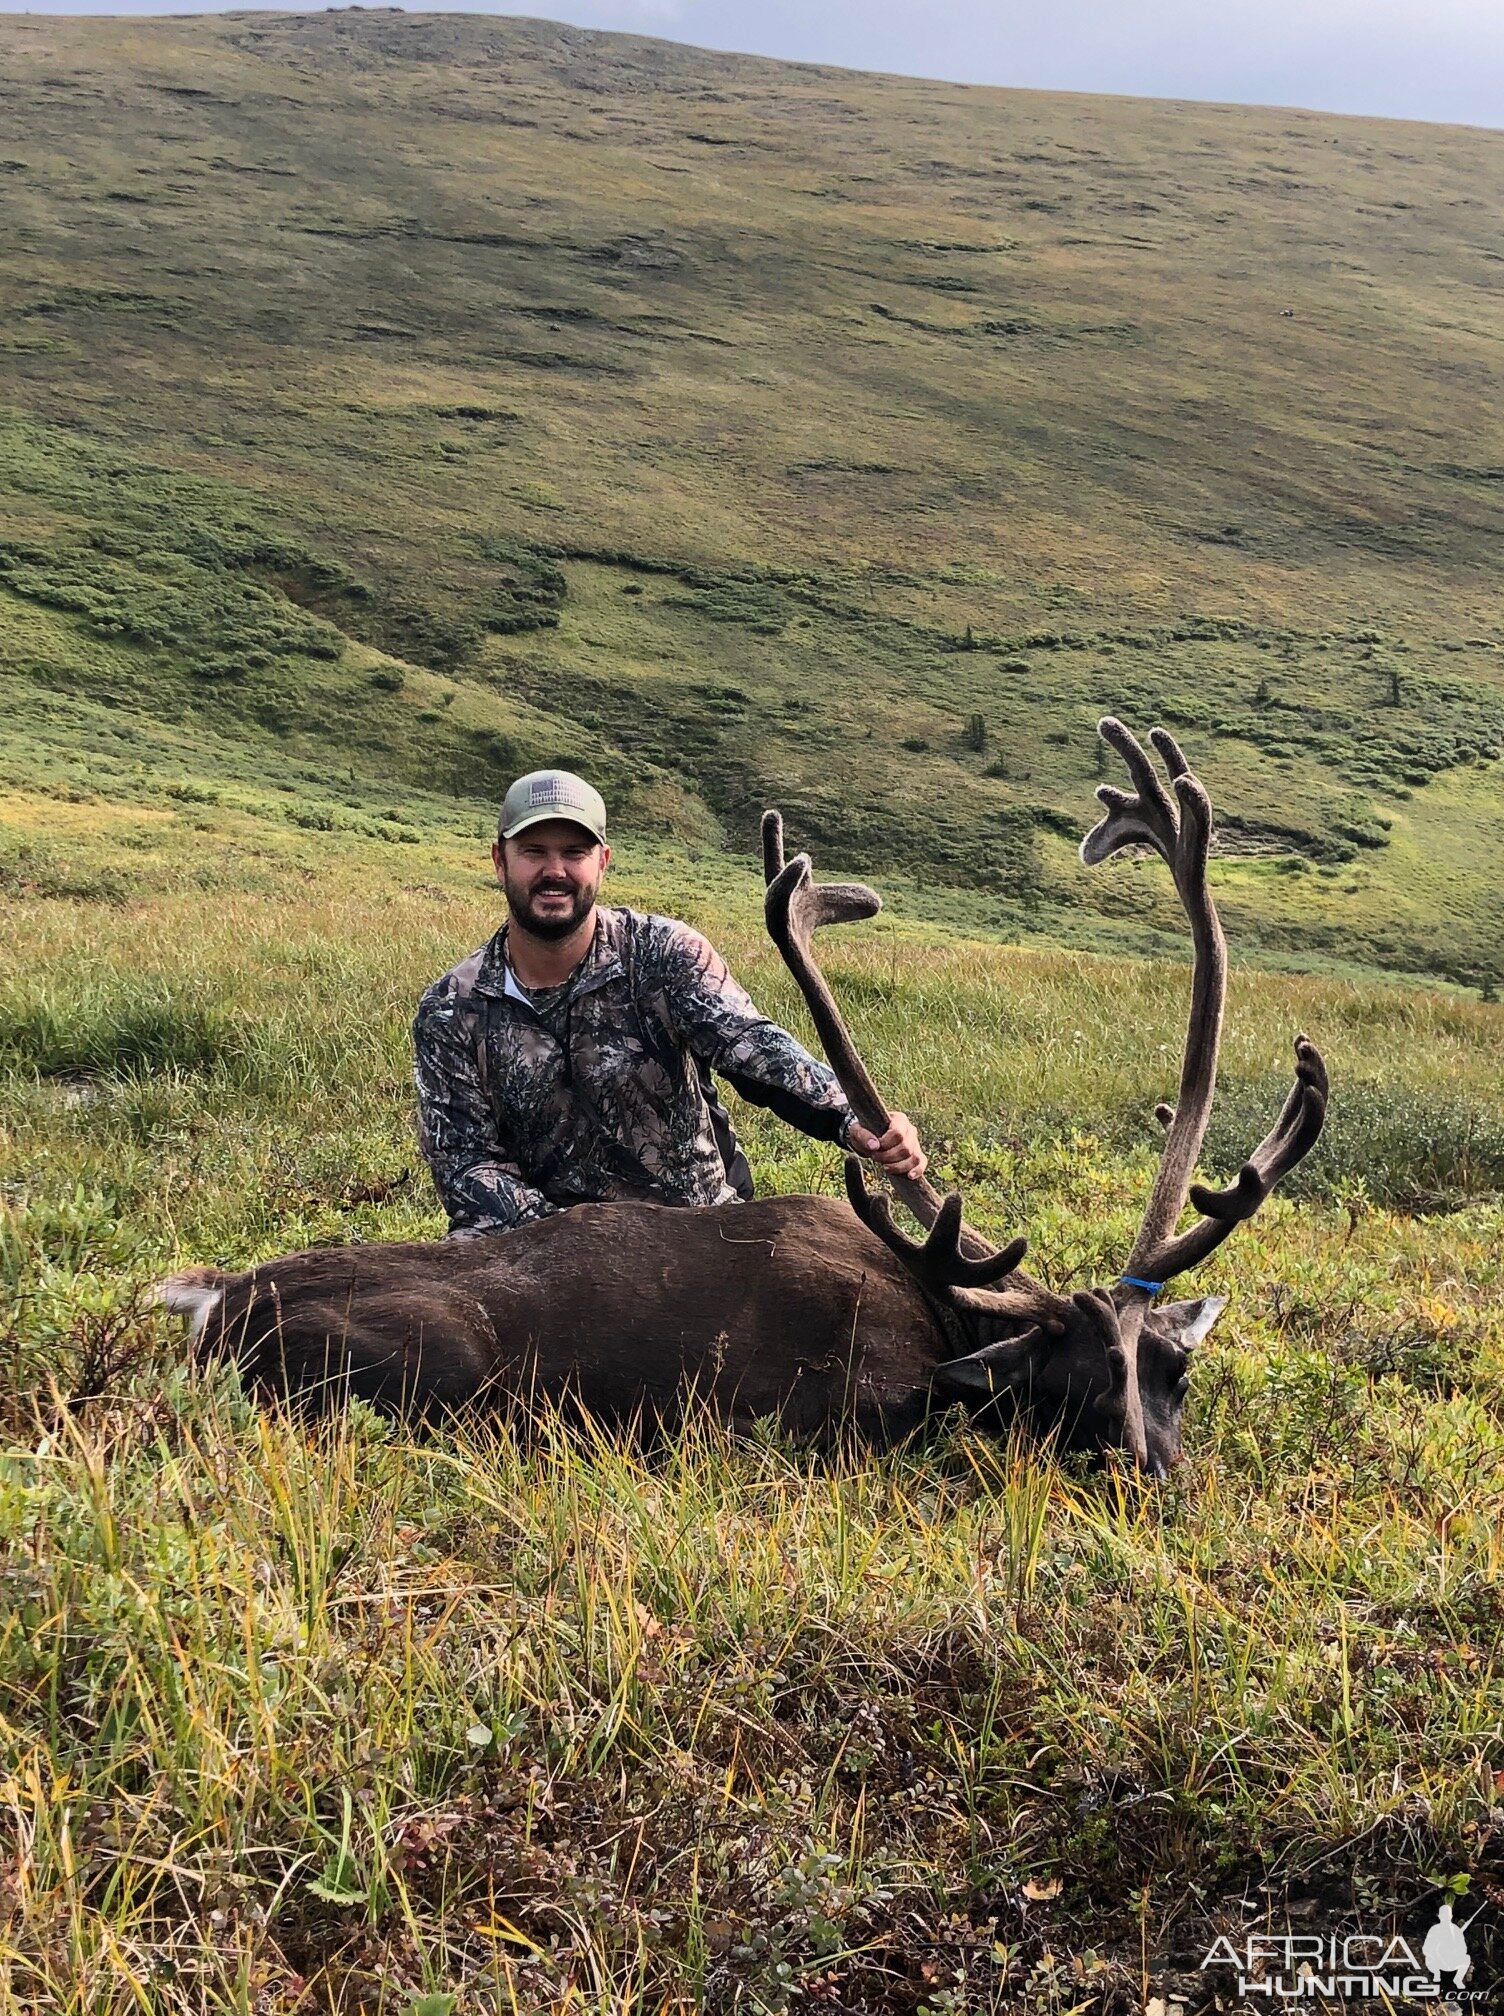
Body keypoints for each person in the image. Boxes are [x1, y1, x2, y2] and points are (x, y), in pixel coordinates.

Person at [414, 768, 926, 1235]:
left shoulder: (663, 954)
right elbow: (466, 1166)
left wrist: (851, 1119)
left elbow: (752, 1047)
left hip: (690, 1232)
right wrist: (578, 1246)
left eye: (574, 852)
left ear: (603, 862)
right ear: (499, 861)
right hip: (540, 1250)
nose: (555, 871)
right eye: (534, 852)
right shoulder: (450, 1009)